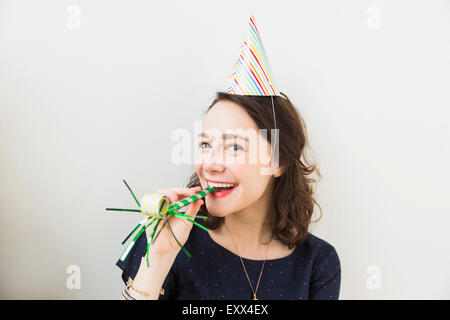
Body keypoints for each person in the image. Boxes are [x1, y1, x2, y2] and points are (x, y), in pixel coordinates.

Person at [117, 15, 341, 300]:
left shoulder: (318, 263)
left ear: (277, 162)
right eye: (206, 144)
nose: (210, 163)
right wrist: (159, 258)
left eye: (234, 147)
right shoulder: (163, 239)